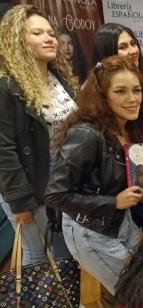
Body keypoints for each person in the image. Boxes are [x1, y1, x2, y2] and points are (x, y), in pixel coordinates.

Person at [44, 56, 143, 294]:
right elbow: (55, 196)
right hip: (91, 231)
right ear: (103, 96)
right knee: (137, 295)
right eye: (120, 91)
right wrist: (114, 202)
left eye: (136, 90)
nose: (132, 99)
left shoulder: (129, 128)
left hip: (122, 222)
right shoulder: (86, 135)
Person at [0, 4, 76, 265]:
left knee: (63, 250)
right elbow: (3, 150)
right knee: (38, 255)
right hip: (30, 181)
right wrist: (20, 202)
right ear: (18, 41)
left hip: (62, 178)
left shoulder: (58, 77)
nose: (49, 38)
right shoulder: (7, 86)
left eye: (50, 33)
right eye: (37, 33)